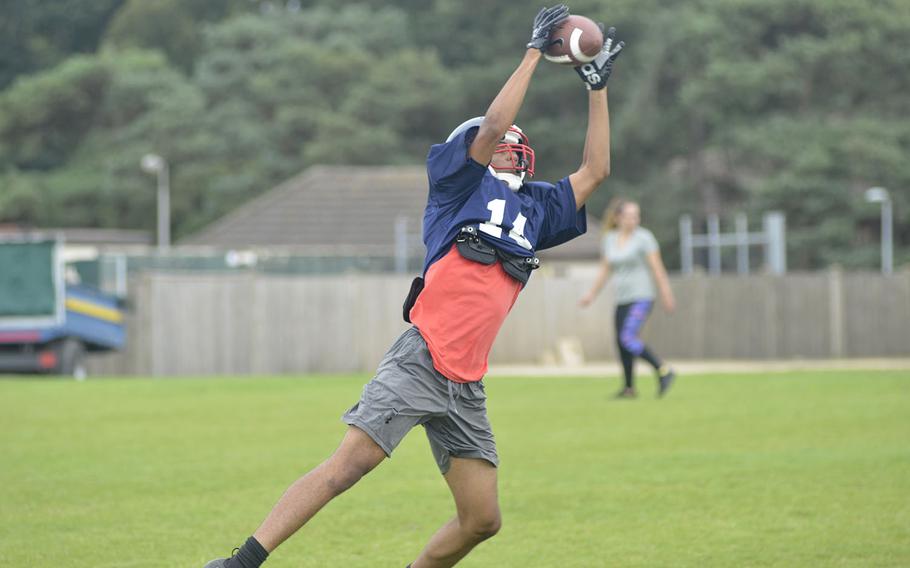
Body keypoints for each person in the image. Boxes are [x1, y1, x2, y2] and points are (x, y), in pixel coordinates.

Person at [204, 6, 624, 567]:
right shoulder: (456, 185)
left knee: (483, 520)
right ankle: (240, 563)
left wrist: (595, 86)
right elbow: (494, 125)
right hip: (423, 359)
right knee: (346, 468)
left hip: (466, 383)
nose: (511, 143)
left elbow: (595, 171)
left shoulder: (535, 209)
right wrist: (533, 53)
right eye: (500, 141)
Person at [579, 198, 677, 398]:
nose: (634, 220)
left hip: (642, 296)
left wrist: (666, 294)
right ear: (618, 218)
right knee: (621, 343)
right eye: (629, 216)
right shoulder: (609, 239)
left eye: (636, 216)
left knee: (627, 338)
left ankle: (663, 369)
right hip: (622, 298)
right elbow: (605, 270)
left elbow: (657, 269)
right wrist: (591, 294)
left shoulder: (644, 238)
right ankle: (629, 388)